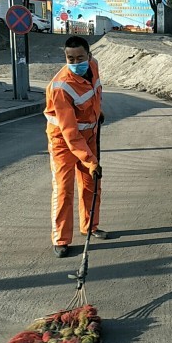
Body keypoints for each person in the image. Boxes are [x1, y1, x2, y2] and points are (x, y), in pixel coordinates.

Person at [44, 36, 110, 258]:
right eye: (70, 58)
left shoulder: (93, 66)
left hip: (90, 134)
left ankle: (90, 226)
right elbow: (70, 133)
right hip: (63, 142)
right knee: (64, 189)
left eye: (79, 57)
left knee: (91, 184)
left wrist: (97, 113)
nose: (75, 62)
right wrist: (90, 160)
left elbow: (94, 93)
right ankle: (61, 239)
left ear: (89, 56)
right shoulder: (61, 87)